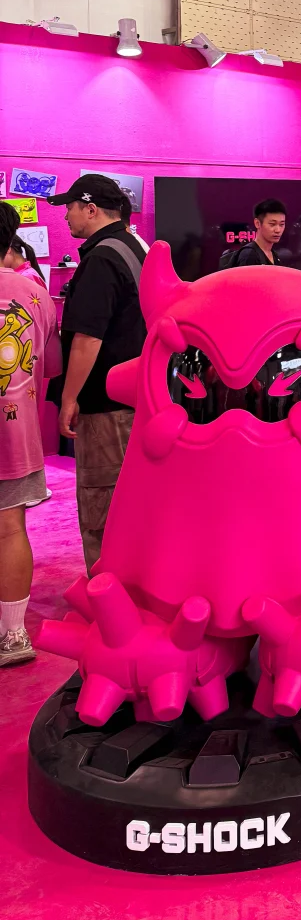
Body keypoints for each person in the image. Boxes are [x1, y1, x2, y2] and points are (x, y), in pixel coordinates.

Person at [45, 174, 147, 572]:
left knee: (102, 503)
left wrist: (69, 397)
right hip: (135, 397)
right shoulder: (135, 247)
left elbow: (88, 338)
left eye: (70, 207)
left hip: (105, 404)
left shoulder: (101, 258)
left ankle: (108, 589)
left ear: (90, 209)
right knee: (134, 500)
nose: (66, 216)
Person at [0, 200, 61, 665]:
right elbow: (51, 364)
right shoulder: (35, 292)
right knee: (10, 529)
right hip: (15, 434)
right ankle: (14, 634)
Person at [224, 197, 287, 267]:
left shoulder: (274, 255)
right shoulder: (249, 255)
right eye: (272, 224)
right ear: (257, 223)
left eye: (281, 224)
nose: (278, 230)